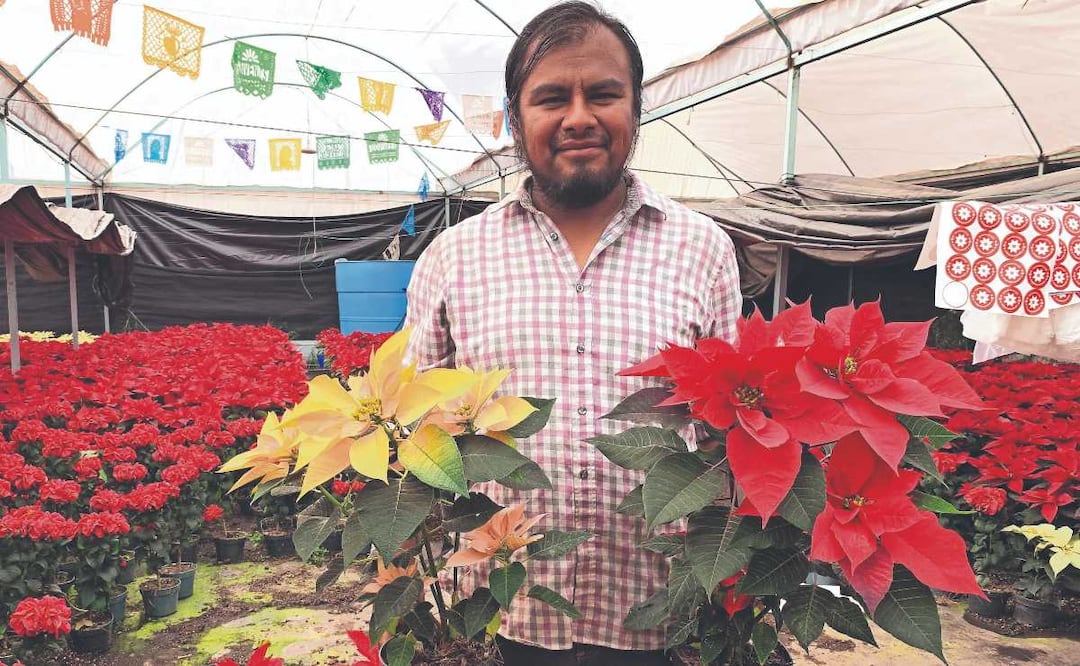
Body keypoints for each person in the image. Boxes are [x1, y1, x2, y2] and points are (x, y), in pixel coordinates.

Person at [405, 2, 741, 664]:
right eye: (552, 97)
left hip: (658, 607)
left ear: (636, 111)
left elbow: (730, 427)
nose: (580, 117)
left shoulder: (704, 248)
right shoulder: (454, 255)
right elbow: (416, 424)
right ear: (514, 120)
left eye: (604, 94)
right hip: (503, 607)